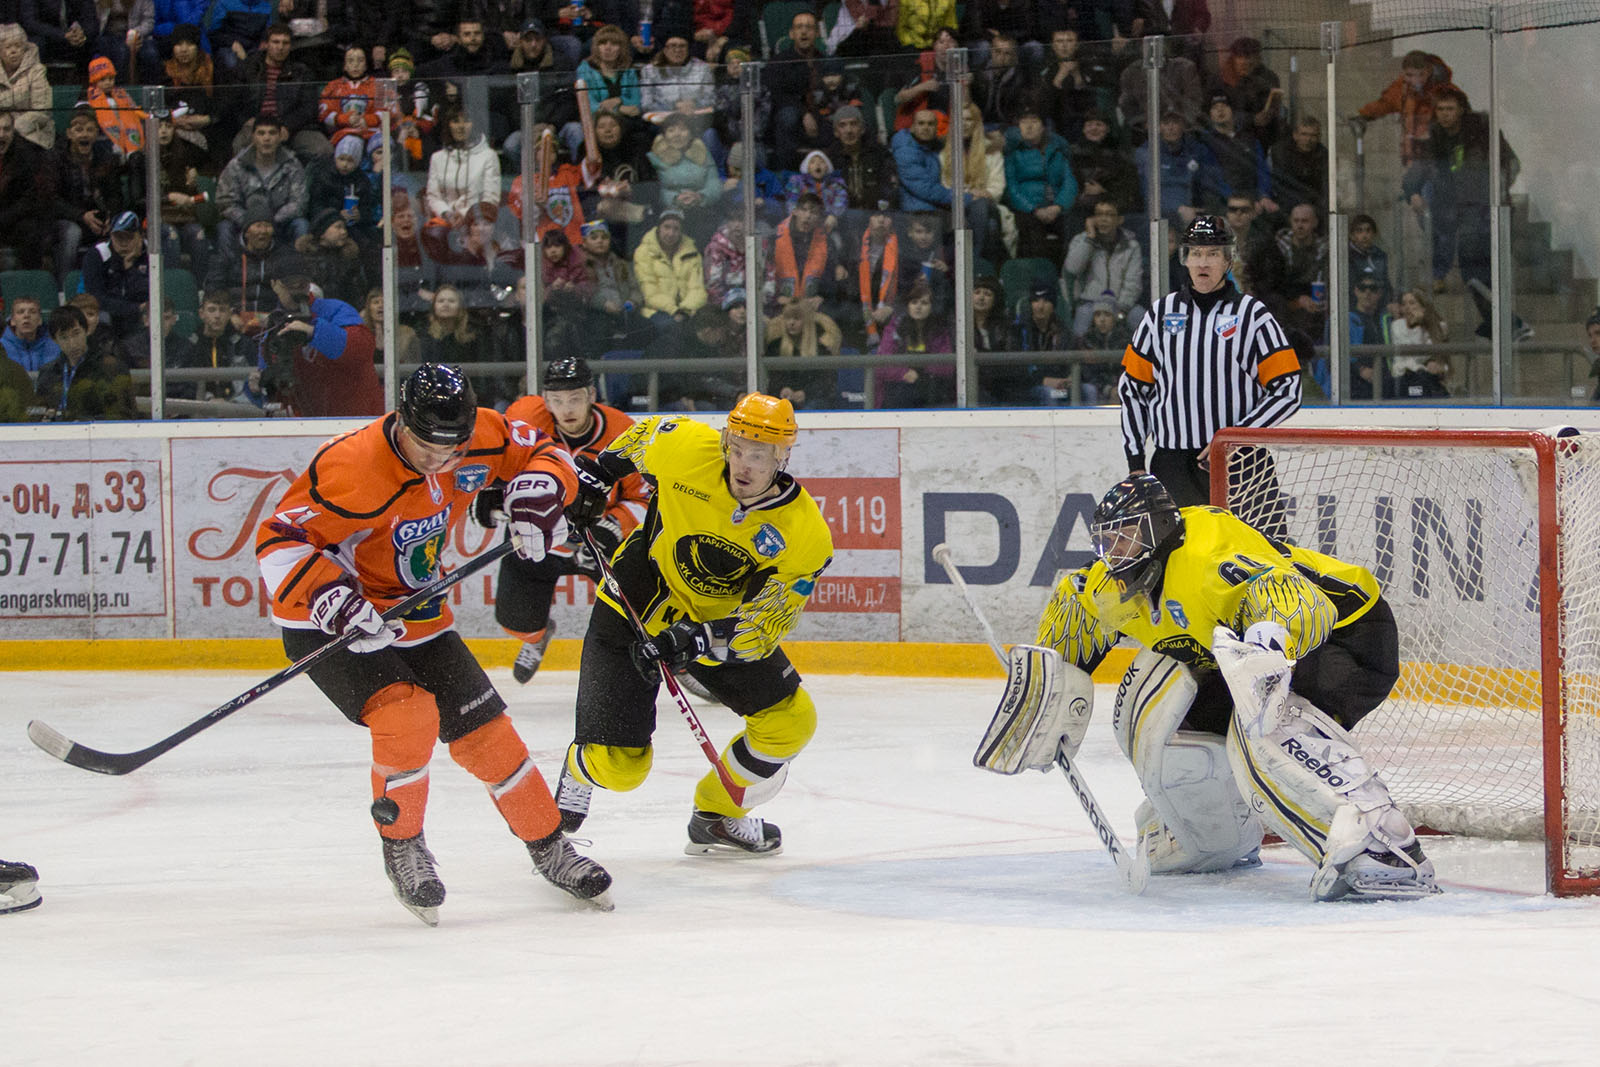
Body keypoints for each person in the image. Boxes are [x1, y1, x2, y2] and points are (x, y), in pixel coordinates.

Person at [253, 363, 613, 924]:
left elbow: (542, 451)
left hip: (416, 609)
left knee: (488, 733)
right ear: (402, 422)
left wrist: (540, 489)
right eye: (428, 447)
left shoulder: (481, 433)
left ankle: (549, 846)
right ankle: (403, 845)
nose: (442, 461)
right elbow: (280, 538)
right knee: (407, 715)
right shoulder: (352, 464)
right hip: (328, 618)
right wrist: (332, 597)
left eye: (454, 449)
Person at [998, 474, 1438, 901]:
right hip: (1233, 655)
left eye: (1126, 537)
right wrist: (1046, 691)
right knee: (1166, 716)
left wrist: (1267, 645)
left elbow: (1296, 599)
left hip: (1344, 634)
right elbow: (1076, 602)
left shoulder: (1207, 554)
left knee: (1263, 721)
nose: (1114, 553)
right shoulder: (1112, 585)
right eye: (1107, 541)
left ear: (1159, 528)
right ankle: (1214, 836)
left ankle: (1384, 844)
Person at [553, 393, 834, 857]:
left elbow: (767, 623)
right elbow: (641, 438)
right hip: (632, 605)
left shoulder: (804, 533)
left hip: (707, 626)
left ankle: (715, 815)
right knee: (621, 769)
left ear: (782, 457)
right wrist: (596, 477)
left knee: (790, 722)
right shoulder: (686, 448)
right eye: (736, 449)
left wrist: (700, 640)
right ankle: (580, 766)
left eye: (758, 455)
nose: (743, 465)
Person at [481, 358, 649, 684]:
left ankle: (679, 663)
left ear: (591, 395)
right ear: (545, 400)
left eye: (574, 398)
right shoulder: (527, 419)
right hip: (540, 536)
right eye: (557, 400)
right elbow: (497, 453)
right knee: (516, 620)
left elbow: (645, 498)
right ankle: (537, 637)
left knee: (645, 611)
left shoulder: (623, 432)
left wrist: (613, 528)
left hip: (599, 541)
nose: (567, 409)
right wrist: (493, 487)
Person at [1117, 214, 1300, 510]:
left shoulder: (1253, 315)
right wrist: (1136, 462)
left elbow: (1288, 389)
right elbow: (1133, 389)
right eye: (1196, 253)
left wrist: (1234, 438)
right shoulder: (1160, 314)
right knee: (1182, 543)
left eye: (1213, 254)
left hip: (1241, 464)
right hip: (1173, 468)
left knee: (1255, 542)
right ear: (1185, 259)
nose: (1203, 263)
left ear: (1228, 260)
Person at [1353, 50, 1457, 168]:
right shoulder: (1402, 88)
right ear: (1404, 73)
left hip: (1439, 157)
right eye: (1409, 75)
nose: (1415, 80)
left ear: (1428, 71)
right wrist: (1364, 115)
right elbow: (1385, 103)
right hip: (1413, 156)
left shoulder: (1445, 91)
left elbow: (1459, 120)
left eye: (1421, 74)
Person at [1061, 196, 1142, 336]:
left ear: (1119, 220)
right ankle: (1081, 351)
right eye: (1099, 214)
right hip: (1090, 302)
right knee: (1081, 324)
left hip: (1120, 303)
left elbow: (1133, 282)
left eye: (1109, 215)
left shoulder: (1131, 246)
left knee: (1140, 317)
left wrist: (1121, 308)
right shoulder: (1081, 240)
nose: (1103, 219)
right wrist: (1090, 239)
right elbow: (1072, 268)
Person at [633, 209, 707, 329]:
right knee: (671, 327)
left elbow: (697, 289)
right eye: (666, 227)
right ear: (659, 228)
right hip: (656, 310)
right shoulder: (644, 252)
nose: (671, 233)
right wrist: (674, 310)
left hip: (687, 310)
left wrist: (685, 310)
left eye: (676, 229)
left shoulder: (692, 252)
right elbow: (649, 293)